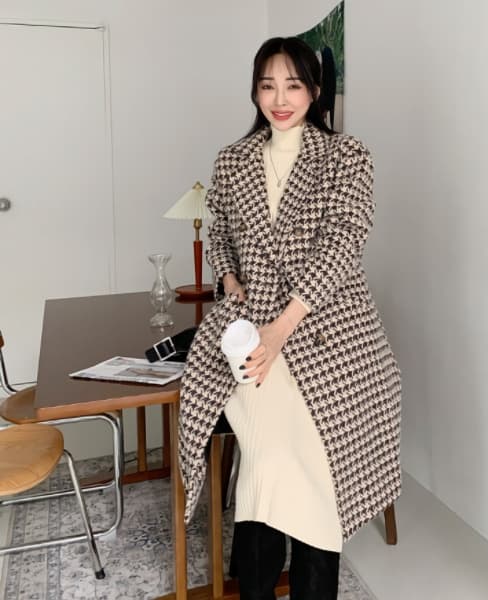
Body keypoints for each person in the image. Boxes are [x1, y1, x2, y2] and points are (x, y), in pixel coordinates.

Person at [179, 36, 402, 600]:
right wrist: (230, 279)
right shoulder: (232, 160)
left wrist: (282, 328)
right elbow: (221, 233)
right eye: (268, 85)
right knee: (272, 463)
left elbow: (343, 243)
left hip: (331, 331)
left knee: (301, 477)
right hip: (252, 332)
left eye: (293, 85)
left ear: (315, 91)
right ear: (255, 91)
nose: (280, 99)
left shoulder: (347, 156)